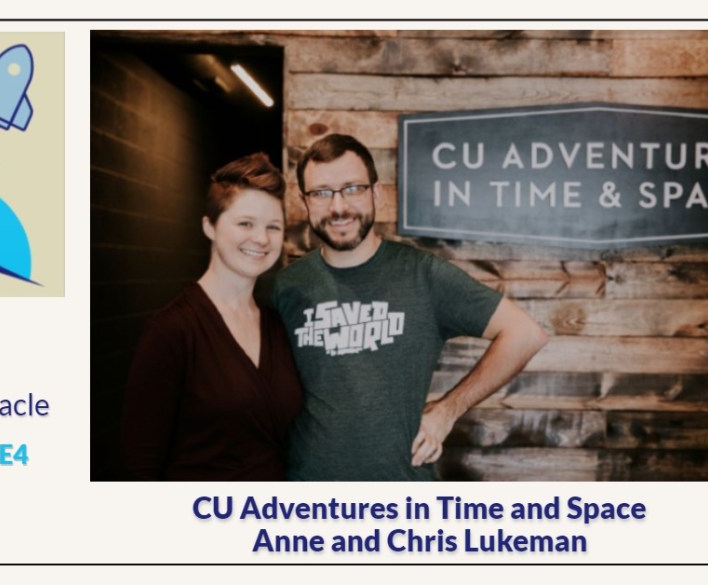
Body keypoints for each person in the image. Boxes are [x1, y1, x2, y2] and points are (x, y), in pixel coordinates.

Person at [273, 134, 548, 481]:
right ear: (304, 201)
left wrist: (447, 410)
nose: (338, 207)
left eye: (352, 189)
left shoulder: (422, 274)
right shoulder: (287, 286)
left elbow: (525, 334)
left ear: (376, 193)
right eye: (322, 193)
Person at [120, 153, 302, 480]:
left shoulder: (276, 325)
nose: (261, 238)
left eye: (273, 227)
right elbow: (139, 466)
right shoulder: (172, 330)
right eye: (245, 223)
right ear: (210, 226)